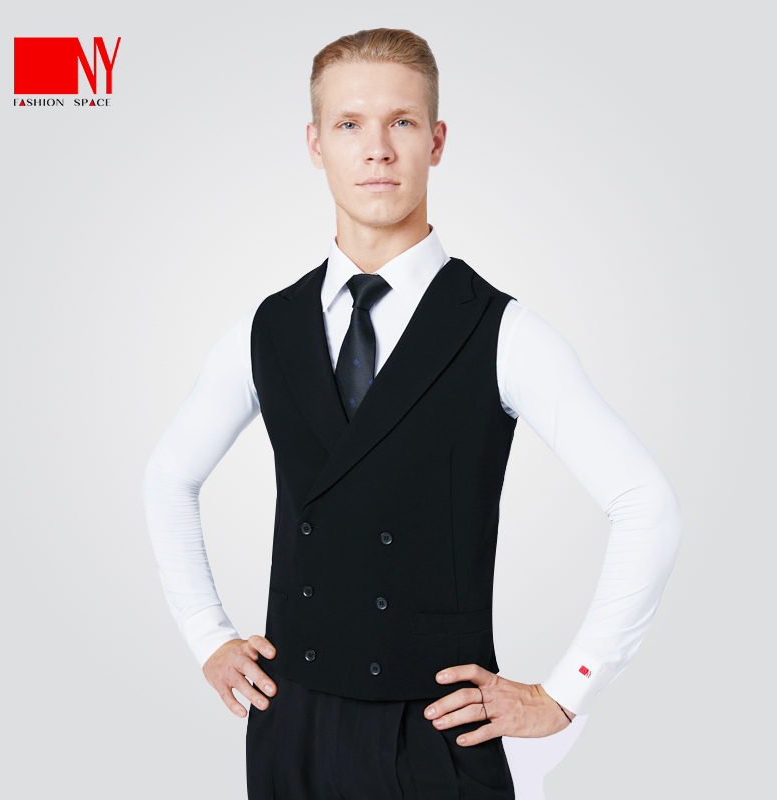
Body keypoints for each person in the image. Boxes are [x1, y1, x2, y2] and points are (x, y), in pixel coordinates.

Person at [142, 27, 682, 800]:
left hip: (435, 733)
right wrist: (207, 635)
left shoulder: (503, 331)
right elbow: (168, 476)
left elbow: (645, 504)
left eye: (401, 121)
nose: (377, 150)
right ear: (315, 144)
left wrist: (567, 692)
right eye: (349, 124)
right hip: (291, 726)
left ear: (436, 140)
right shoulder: (267, 328)